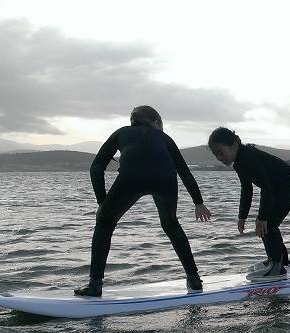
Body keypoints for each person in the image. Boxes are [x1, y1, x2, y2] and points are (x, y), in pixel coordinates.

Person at [76, 106, 212, 297]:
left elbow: (96, 168)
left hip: (131, 178)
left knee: (105, 223)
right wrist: (198, 202)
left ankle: (95, 284)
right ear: (156, 121)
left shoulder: (121, 133)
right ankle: (195, 280)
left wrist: (102, 203)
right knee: (171, 224)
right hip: (165, 180)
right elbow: (185, 173)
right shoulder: (165, 139)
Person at [207, 127, 290, 277]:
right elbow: (247, 190)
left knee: (267, 225)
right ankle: (279, 262)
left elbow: (266, 188)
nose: (219, 157)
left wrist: (262, 217)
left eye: (220, 152)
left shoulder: (248, 157)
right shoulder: (239, 163)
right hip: (276, 189)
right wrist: (242, 216)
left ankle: (276, 265)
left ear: (234, 145)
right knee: (268, 225)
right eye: (215, 154)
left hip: (289, 186)